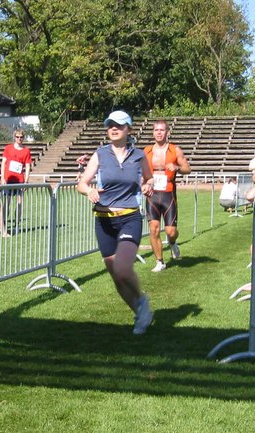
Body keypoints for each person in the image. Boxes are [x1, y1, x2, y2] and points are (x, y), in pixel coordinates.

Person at [77, 110, 155, 335]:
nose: (114, 128)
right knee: (116, 276)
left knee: (122, 268)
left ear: (128, 129)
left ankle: (141, 300)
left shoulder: (139, 155)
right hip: (103, 221)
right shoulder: (100, 154)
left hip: (129, 217)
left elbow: (149, 178)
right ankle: (140, 314)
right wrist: (89, 191)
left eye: (119, 125)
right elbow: (82, 183)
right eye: (110, 124)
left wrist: (147, 186)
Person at [143, 119, 191, 272]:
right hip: (152, 193)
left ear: (167, 132)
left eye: (162, 130)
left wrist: (177, 167)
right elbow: (140, 171)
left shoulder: (175, 150)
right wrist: (143, 184)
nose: (159, 133)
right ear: (153, 132)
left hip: (168, 193)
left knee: (171, 231)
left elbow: (187, 169)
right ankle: (160, 262)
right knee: (154, 228)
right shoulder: (146, 151)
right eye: (156, 130)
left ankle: (172, 242)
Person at [1, 128, 32, 232]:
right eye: (17, 137)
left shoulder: (26, 151)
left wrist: (26, 181)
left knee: (19, 203)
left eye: (21, 137)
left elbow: (27, 166)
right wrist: (2, 178)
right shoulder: (8, 148)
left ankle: (17, 225)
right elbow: (3, 163)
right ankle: (3, 225)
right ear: (14, 137)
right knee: (7, 202)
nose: (19, 139)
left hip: (20, 180)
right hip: (8, 179)